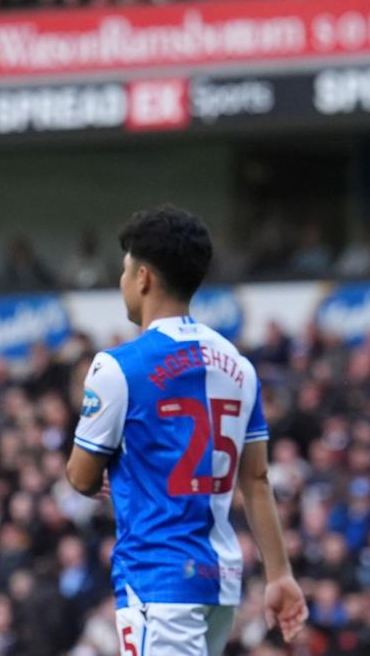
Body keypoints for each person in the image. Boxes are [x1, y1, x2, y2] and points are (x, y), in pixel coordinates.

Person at [66, 208, 307, 655]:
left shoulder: (117, 367)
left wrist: (113, 465)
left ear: (142, 278)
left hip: (157, 578)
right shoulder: (239, 366)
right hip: (220, 582)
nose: (121, 282)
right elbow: (256, 479)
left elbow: (81, 477)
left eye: (124, 270)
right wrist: (279, 575)